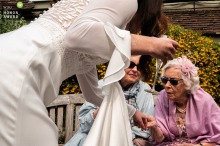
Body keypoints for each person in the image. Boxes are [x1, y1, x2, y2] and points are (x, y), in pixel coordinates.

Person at [0, 0, 178, 145]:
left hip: (10, 56)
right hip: (19, 70)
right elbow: (76, 35)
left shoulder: (97, 24)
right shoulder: (128, 1)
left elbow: (93, 94)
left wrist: (132, 113)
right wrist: (151, 43)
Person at [64, 55, 155, 146]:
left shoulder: (145, 90)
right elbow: (84, 123)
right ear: (120, 65)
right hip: (98, 136)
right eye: (130, 64)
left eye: (139, 67)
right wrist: (100, 113)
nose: (135, 70)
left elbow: (145, 126)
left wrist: (131, 136)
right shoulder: (101, 86)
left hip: (129, 140)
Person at [145, 56, 220, 146]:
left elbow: (217, 137)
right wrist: (154, 127)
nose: (167, 85)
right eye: (164, 80)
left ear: (187, 83)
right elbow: (160, 139)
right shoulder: (162, 97)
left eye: (174, 81)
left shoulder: (204, 100)